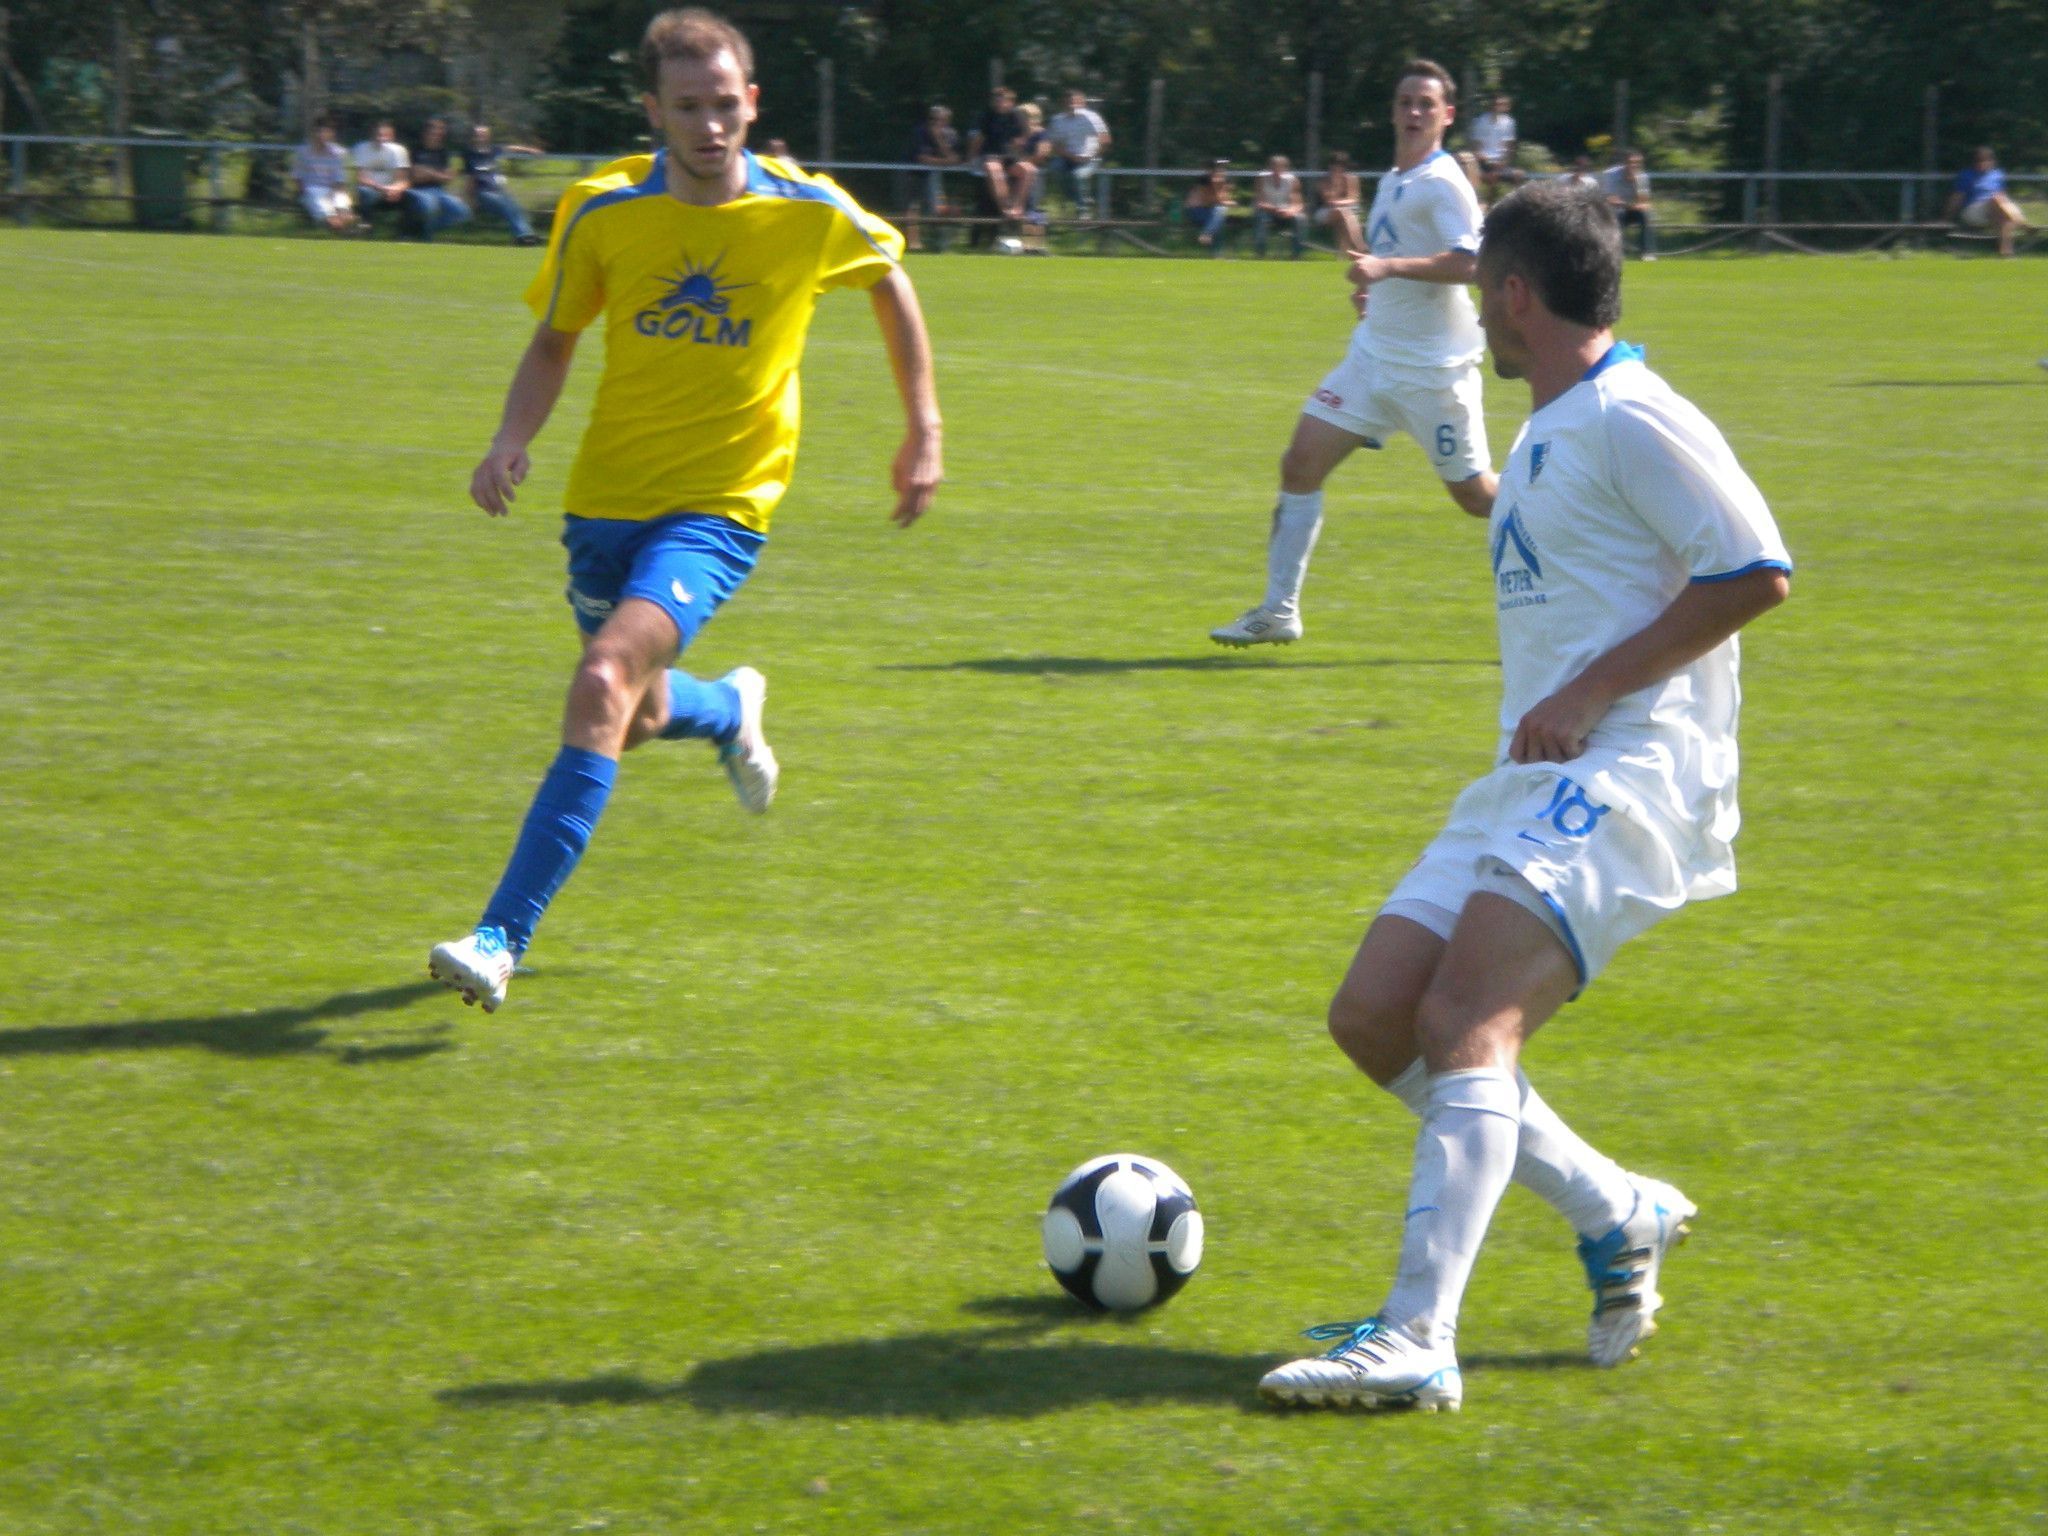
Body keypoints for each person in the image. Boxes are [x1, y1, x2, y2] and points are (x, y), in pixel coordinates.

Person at [1256, 179, 1792, 1413]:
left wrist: (1594, 689)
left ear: (1509, 295)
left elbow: (1757, 571)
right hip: (1533, 772)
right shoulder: (1555, 420)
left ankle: (1415, 1337)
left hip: (1634, 764)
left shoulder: (1631, 413)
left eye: (1477, 294)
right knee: (1375, 1016)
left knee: (1466, 1021)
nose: (1475, 323)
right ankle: (1619, 1209)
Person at [427, 7, 943, 1012]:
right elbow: (554, 340)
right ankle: (727, 708)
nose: (710, 126)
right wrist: (509, 438)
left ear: (751, 103)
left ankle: (498, 937)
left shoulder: (807, 209)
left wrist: (922, 427)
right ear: (652, 111)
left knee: (602, 673)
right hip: (604, 502)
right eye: (687, 108)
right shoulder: (602, 209)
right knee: (637, 711)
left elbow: (890, 283)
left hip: (722, 505)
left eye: (725, 105)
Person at [1211, 61, 1496, 647]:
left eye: (1426, 104)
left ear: (1446, 115)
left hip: (1432, 374)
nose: (1414, 112)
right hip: (1372, 360)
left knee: (1477, 499)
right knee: (1299, 465)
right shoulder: (1395, 178)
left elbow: (1470, 264)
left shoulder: (1444, 182)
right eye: (1405, 102)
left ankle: (1580, 523)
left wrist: (1387, 266)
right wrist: (1376, 286)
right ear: (1393, 112)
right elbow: (1402, 260)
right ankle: (1277, 610)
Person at [1945, 145, 2031, 258]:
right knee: (1996, 199)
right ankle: (2022, 224)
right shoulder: (1966, 175)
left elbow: (2003, 196)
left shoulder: (1997, 175)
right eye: (1979, 160)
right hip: (1973, 211)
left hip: (1997, 210)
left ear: (1992, 161)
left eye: (1985, 160)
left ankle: (2006, 253)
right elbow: (1957, 197)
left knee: (2003, 216)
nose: (1982, 163)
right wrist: (1947, 217)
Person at [464, 123, 543, 246]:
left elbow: (512, 148)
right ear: (473, 137)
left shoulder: (493, 150)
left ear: (488, 136)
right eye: (477, 135)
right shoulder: (470, 155)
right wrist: (470, 202)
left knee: (514, 206)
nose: (480, 137)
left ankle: (525, 235)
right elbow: (470, 180)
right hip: (483, 193)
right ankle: (523, 235)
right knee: (507, 206)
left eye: (483, 134)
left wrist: (530, 150)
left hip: (497, 191)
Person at [966, 85, 1026, 241]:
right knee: (993, 168)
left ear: (1010, 102)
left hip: (1009, 157)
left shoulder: (1017, 116)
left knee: (1029, 170)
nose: (1000, 103)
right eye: (997, 100)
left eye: (1003, 100)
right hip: (990, 155)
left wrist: (1016, 155)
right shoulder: (986, 116)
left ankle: (1016, 207)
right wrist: (971, 158)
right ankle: (1006, 208)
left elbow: (1019, 142)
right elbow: (979, 139)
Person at [404, 117, 472, 240]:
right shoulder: (414, 150)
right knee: (429, 206)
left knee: (462, 212)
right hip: (416, 190)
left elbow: (448, 178)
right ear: (425, 133)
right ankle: (426, 238)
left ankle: (418, 231)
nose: (437, 136)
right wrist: (438, 175)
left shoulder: (443, 152)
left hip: (438, 191)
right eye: (433, 133)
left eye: (439, 133)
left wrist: (427, 172)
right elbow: (414, 177)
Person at [1046, 89, 1110, 217]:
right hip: (1067, 158)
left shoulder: (1092, 118)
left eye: (1076, 102)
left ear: (1083, 103)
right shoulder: (1057, 120)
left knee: (1078, 175)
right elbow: (1054, 145)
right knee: (1054, 168)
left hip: (1091, 158)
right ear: (1063, 103)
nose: (1072, 105)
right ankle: (1078, 199)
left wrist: (1090, 156)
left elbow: (1105, 140)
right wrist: (1071, 156)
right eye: (1069, 102)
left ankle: (1084, 211)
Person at [293, 117, 357, 232]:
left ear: (332, 134)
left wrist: (333, 194)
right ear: (314, 132)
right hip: (312, 189)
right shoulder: (302, 152)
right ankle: (338, 227)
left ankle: (347, 226)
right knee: (328, 214)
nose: (323, 135)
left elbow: (340, 180)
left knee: (344, 210)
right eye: (321, 131)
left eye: (327, 132)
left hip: (334, 189)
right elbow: (298, 178)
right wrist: (303, 194)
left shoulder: (339, 153)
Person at [351, 119, 410, 226]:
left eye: (385, 135)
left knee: (412, 197)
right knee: (365, 192)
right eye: (378, 135)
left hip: (392, 192)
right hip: (371, 190)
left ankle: (406, 231)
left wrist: (395, 189)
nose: (381, 139)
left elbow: (403, 180)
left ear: (392, 136)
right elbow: (361, 178)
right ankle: (366, 225)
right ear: (372, 135)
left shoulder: (399, 151)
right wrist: (382, 188)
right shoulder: (361, 149)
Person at [1604, 149, 1655, 260]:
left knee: (1645, 215)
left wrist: (1636, 183)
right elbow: (1610, 199)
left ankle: (1646, 253)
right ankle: (1617, 252)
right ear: (1624, 163)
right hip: (1612, 211)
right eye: (1631, 162)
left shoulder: (1642, 177)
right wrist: (1630, 205)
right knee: (1619, 214)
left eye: (1637, 163)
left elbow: (1644, 202)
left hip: (1630, 209)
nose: (1634, 165)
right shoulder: (1610, 174)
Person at [1253, 154, 1306, 258]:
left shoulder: (1292, 180)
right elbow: (1259, 202)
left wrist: (1290, 211)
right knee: (1261, 218)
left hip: (1286, 212)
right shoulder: (1262, 179)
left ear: (1285, 168)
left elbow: (1298, 204)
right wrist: (1275, 209)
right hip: (1267, 211)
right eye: (1274, 167)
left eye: (1280, 167)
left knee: (1300, 218)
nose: (1277, 170)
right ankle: (1260, 253)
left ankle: (1297, 254)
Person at [1313, 150, 1362, 252]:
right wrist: (1336, 184)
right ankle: (1360, 246)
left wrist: (1340, 203)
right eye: (1334, 165)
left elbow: (1354, 199)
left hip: (1347, 213)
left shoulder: (1352, 179)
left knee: (1342, 222)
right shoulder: (1323, 181)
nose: (1337, 169)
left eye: (1340, 166)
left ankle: (1342, 256)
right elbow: (1329, 201)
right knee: (1342, 212)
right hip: (1325, 212)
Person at [1182, 161, 1234, 254]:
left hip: (1209, 213)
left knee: (1219, 220)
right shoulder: (1203, 182)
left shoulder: (1221, 185)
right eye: (1217, 173)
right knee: (1220, 211)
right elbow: (1206, 201)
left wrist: (1224, 200)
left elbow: (1223, 199)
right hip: (1195, 212)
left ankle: (1214, 250)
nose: (1219, 177)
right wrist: (1225, 202)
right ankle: (1208, 236)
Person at [1009, 101, 1049, 222]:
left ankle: (1028, 211)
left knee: (1030, 171)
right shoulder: (1014, 133)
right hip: (1015, 166)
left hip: (1033, 168)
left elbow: (1041, 154)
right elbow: (1010, 152)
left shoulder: (1042, 134)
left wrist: (1025, 161)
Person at [1470, 93, 1519, 189]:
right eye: (1496, 104)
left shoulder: (1509, 122)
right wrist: (1489, 162)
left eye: (1502, 104)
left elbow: (1509, 147)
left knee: (1518, 175)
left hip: (1501, 164)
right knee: (1490, 177)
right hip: (1484, 163)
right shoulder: (1480, 122)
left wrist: (1504, 161)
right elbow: (1476, 149)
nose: (1498, 107)